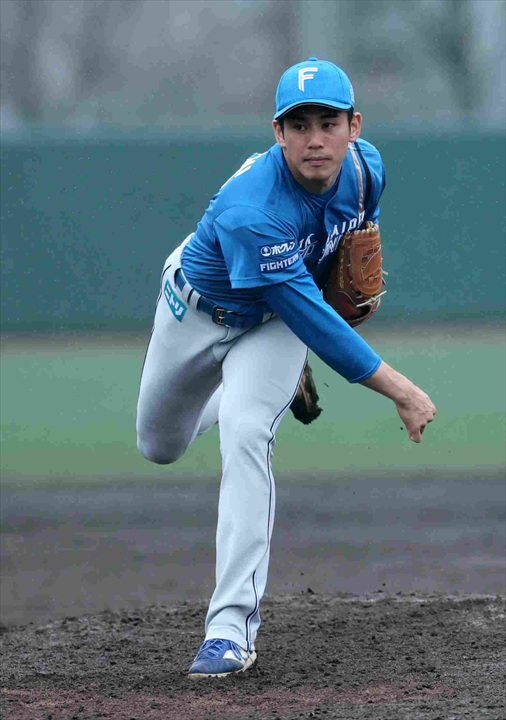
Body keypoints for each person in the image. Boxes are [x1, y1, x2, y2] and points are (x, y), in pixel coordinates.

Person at [136, 57, 436, 679]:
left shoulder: (366, 170)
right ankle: (255, 390)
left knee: (248, 432)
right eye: (299, 126)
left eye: (328, 123)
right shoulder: (252, 208)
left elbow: (341, 256)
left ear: (355, 126)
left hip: (272, 324)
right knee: (159, 446)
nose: (315, 138)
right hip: (196, 310)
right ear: (278, 133)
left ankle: (229, 630)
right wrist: (401, 390)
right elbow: (317, 321)